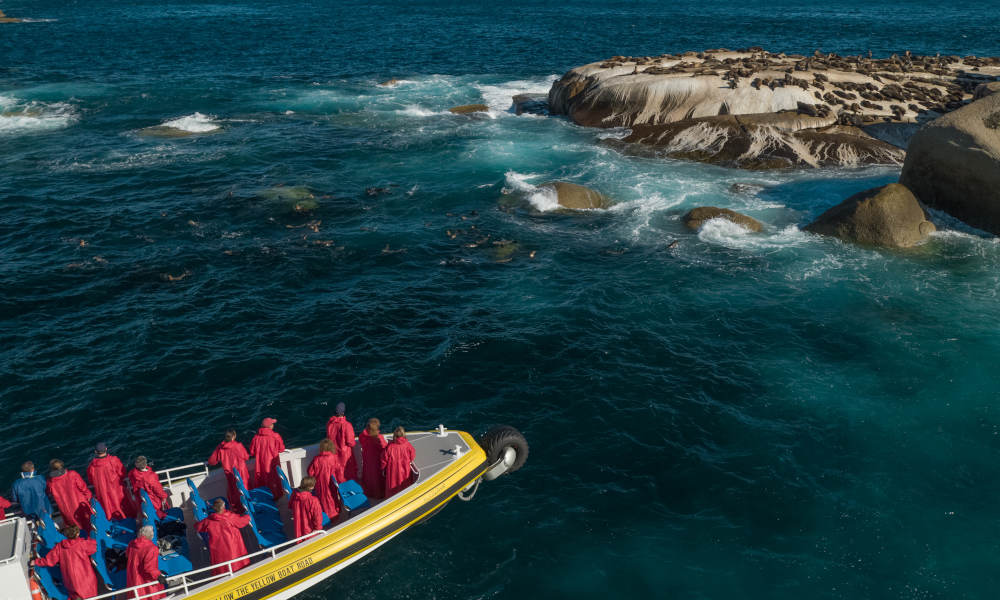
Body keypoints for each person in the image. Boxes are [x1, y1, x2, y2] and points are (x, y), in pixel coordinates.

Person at [33, 524, 99, 599]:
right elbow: (96, 546)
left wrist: (36, 561)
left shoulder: (60, 547)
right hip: (85, 580)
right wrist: (92, 535)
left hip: (69, 581)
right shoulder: (82, 544)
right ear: (77, 534)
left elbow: (49, 561)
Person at [196, 499, 251, 575]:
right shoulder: (229, 517)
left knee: (222, 565)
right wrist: (248, 516)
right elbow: (242, 522)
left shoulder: (208, 520)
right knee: (236, 563)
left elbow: (198, 526)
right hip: (232, 545)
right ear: (222, 507)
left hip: (218, 547)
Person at [207, 430, 251, 512]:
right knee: (244, 488)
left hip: (229, 473)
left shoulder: (220, 447)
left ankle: (237, 508)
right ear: (233, 437)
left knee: (234, 491)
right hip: (240, 471)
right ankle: (247, 506)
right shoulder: (238, 446)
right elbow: (246, 457)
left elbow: (211, 461)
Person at [87, 443, 131, 520]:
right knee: (122, 507)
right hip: (116, 490)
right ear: (106, 449)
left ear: (95, 452)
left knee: (108, 509)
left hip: (103, 493)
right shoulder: (114, 460)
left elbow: (91, 480)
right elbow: (122, 473)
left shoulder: (92, 466)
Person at [46, 460, 92, 531]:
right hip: (80, 504)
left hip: (66, 509)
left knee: (75, 527)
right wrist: (89, 496)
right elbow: (83, 487)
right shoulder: (72, 474)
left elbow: (48, 492)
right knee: (89, 523)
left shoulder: (51, 483)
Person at [249, 418, 285, 500]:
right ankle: (276, 495)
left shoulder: (255, 438)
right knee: (274, 479)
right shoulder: (275, 436)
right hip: (273, 462)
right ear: (270, 426)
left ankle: (266, 496)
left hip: (260, 463)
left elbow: (252, 452)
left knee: (263, 480)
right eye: (272, 423)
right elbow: (282, 448)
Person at [126, 525, 165, 600]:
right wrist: (159, 575)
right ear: (151, 535)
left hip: (133, 579)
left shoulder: (132, 544)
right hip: (147, 581)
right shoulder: (152, 548)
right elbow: (149, 567)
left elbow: (127, 555)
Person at [306, 439, 340, 520]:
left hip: (320, 483)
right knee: (332, 497)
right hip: (331, 481)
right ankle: (335, 512)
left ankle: (327, 516)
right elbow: (337, 468)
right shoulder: (334, 457)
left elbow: (310, 472)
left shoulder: (317, 459)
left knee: (323, 499)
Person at [325, 402, 356, 482]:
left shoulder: (329, 424)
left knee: (336, 474)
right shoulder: (347, 425)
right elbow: (351, 442)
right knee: (346, 474)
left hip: (333, 452)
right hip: (344, 455)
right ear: (343, 412)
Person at [382, 426, 416, 497]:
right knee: (404, 485)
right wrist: (409, 460)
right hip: (405, 469)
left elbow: (383, 459)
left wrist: (383, 469)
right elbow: (412, 454)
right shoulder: (407, 445)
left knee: (393, 485)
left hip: (393, 471)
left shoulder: (390, 447)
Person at [359, 418, 387, 499]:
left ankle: (369, 493)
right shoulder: (379, 438)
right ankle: (378, 495)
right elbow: (384, 448)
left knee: (368, 477)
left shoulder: (363, 436)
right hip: (376, 462)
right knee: (377, 479)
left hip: (367, 460)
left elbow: (361, 440)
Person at [287, 476, 323, 541]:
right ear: (311, 487)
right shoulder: (313, 500)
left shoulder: (294, 494)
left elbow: (290, 506)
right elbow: (317, 517)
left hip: (298, 526)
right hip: (309, 530)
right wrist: (318, 529)